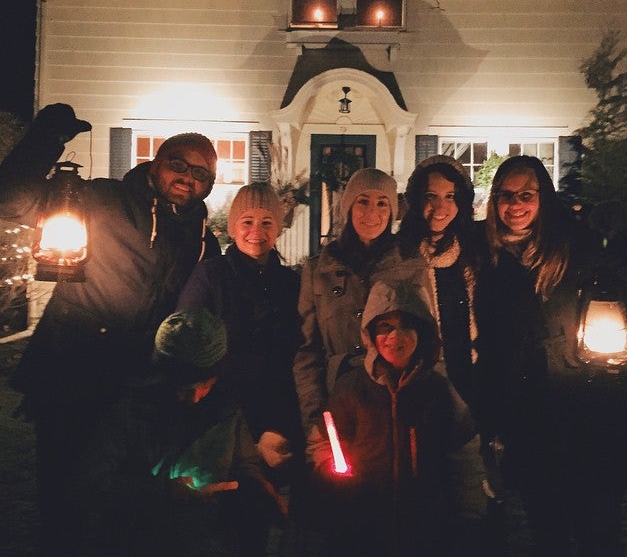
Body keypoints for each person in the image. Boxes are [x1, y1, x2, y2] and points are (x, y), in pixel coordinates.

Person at [0, 103, 220, 555]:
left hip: (138, 389)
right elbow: (10, 200)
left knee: (126, 508)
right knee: (63, 503)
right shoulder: (99, 199)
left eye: (200, 173)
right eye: (178, 163)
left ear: (208, 185)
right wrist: (45, 139)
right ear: (155, 164)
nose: (187, 176)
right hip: (71, 373)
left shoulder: (202, 240)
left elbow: (201, 315)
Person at [476, 155, 627, 556]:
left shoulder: (577, 247)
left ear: (543, 197)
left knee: (596, 525)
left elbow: (620, 296)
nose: (516, 205)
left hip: (588, 406)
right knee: (546, 525)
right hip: (527, 412)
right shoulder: (487, 257)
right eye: (506, 195)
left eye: (526, 195)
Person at [73, 308, 286, 556]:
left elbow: (245, 463)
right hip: (139, 543)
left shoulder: (227, 412)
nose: (194, 398)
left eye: (205, 385)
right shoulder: (129, 411)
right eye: (184, 388)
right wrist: (164, 492)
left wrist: (260, 489)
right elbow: (89, 484)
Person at [306, 279, 488, 557]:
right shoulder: (351, 387)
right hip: (362, 523)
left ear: (422, 331)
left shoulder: (438, 390)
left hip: (426, 527)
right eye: (385, 327)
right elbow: (322, 442)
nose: (395, 336)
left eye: (406, 325)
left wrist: (469, 516)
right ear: (370, 334)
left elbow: (464, 457)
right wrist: (329, 471)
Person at [177, 182, 305, 496]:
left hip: (275, 424)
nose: (256, 232)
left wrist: (280, 425)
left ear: (278, 229)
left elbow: (297, 355)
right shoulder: (210, 276)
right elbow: (187, 346)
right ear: (234, 228)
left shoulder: (291, 284)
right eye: (247, 222)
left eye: (267, 222)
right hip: (220, 420)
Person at [294, 167, 418, 442]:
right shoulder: (318, 270)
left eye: (382, 203)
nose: (372, 212)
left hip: (393, 402)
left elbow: (425, 341)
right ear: (349, 207)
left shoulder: (411, 267)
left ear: (392, 211)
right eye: (363, 201)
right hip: (338, 401)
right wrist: (314, 417)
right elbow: (307, 351)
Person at [396, 155, 483, 410]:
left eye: (450, 196)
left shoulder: (475, 254)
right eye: (430, 196)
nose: (440, 206)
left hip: (470, 376)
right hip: (418, 384)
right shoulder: (398, 255)